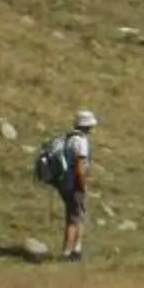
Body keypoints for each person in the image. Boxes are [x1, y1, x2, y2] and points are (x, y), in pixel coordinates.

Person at [51, 109, 96, 261]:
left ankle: (77, 249)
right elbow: (80, 165)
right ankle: (67, 252)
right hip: (75, 183)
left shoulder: (69, 139)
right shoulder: (81, 142)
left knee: (77, 215)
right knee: (74, 218)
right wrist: (83, 184)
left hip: (65, 183)